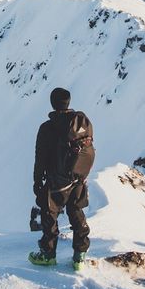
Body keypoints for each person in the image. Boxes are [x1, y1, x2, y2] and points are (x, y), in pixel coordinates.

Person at [29, 87, 95, 270]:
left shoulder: (48, 128)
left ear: (52, 103)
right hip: (79, 176)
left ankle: (48, 254)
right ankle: (79, 256)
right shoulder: (80, 123)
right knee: (75, 210)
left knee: (50, 214)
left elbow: (40, 157)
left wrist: (37, 181)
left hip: (58, 180)